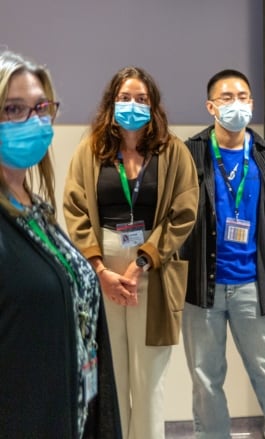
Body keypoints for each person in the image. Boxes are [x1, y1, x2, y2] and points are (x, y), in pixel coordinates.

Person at [63, 66, 199, 439]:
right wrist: (100, 270)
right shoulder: (90, 150)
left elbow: (183, 214)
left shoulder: (174, 151)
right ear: (111, 104)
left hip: (152, 271)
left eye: (141, 99)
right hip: (102, 268)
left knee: (149, 381)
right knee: (111, 379)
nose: (132, 105)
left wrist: (141, 263)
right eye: (125, 98)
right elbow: (74, 209)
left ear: (153, 106)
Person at [179, 69, 265, 439]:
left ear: (252, 104)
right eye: (226, 98)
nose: (236, 104)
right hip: (202, 287)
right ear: (210, 106)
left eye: (243, 97)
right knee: (206, 383)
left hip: (252, 284)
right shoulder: (191, 153)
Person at [0, 50, 120, 438]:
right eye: (13, 109)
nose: (32, 121)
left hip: (74, 412)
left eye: (40, 108)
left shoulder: (37, 210)